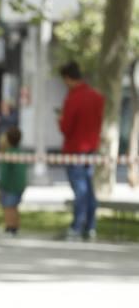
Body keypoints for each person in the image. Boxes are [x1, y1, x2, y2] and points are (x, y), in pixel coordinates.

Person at [58, 61, 104, 241]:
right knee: (88, 189)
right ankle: (90, 226)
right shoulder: (96, 97)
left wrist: (60, 120)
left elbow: (66, 128)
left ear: (68, 78)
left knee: (80, 190)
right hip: (91, 148)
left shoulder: (73, 98)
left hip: (74, 149)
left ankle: (77, 225)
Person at [0, 127, 28, 236]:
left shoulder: (7, 154)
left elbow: (4, 172)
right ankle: (15, 226)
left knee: (8, 207)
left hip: (9, 185)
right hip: (20, 185)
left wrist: (1, 185)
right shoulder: (21, 153)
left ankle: (10, 227)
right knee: (15, 207)